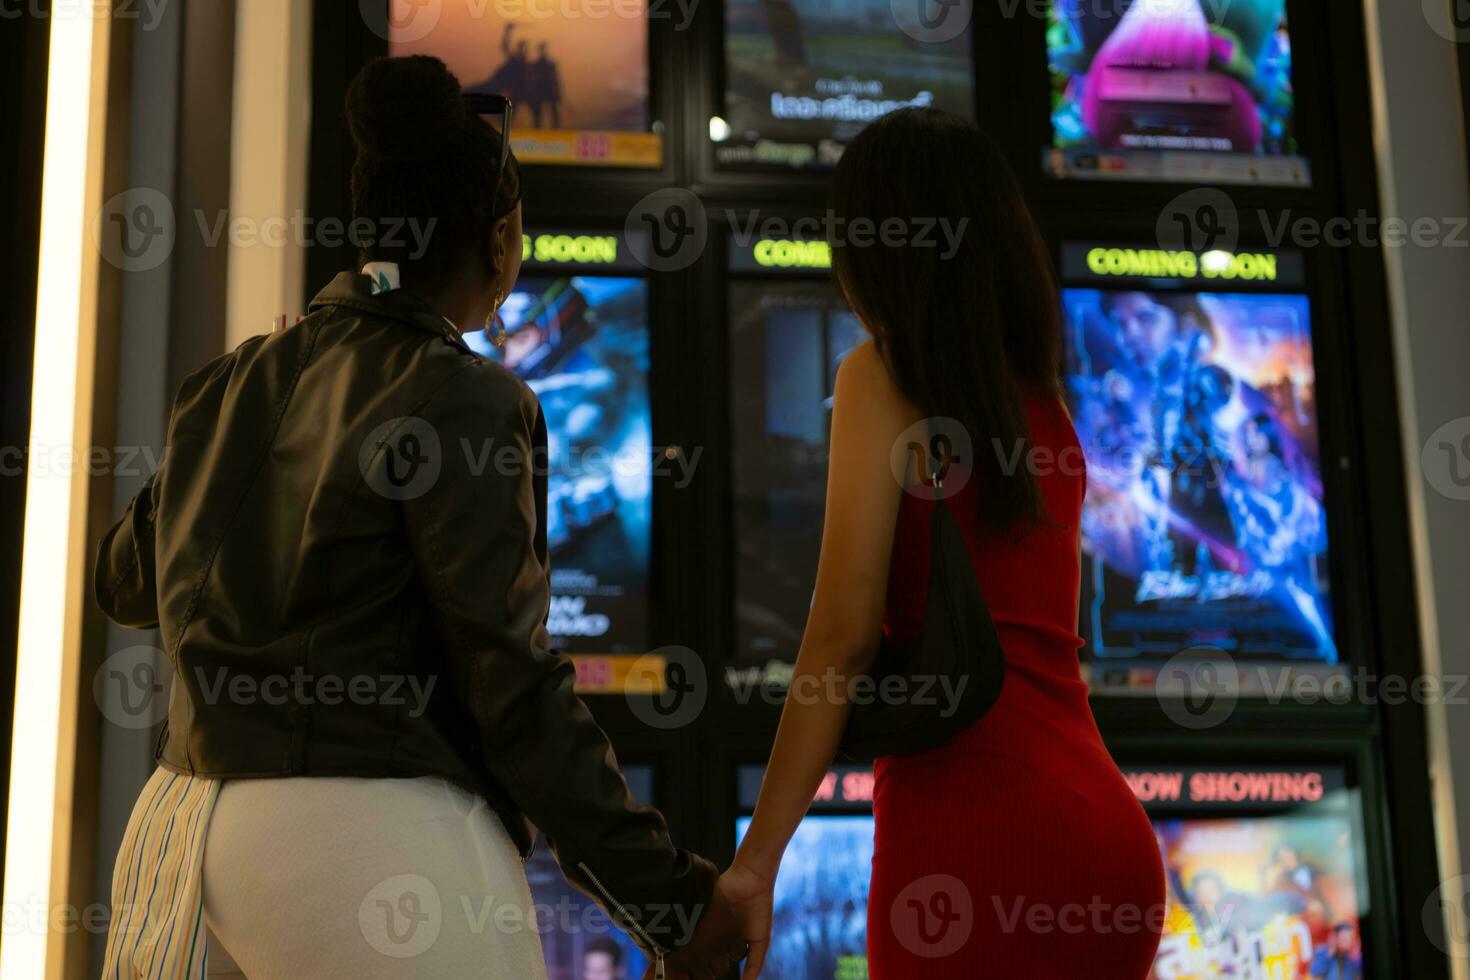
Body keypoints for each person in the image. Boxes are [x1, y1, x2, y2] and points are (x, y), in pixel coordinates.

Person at [94, 55, 747, 979]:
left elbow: (123, 584)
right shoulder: (470, 399)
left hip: (184, 835)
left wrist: (236, 407)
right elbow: (512, 690)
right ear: (500, 238)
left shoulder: (233, 378)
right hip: (365, 842)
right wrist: (672, 902)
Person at [721, 108, 1167, 978]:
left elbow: (840, 639)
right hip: (1103, 837)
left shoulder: (881, 376)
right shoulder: (1043, 404)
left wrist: (754, 864)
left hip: (967, 839)